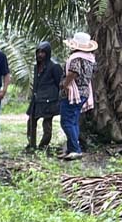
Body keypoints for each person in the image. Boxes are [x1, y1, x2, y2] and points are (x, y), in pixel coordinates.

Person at [59, 31, 97, 160]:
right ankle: (71, 148)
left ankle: (75, 149)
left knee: (66, 122)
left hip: (73, 93)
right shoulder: (90, 58)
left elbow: (73, 72)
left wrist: (65, 84)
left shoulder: (76, 58)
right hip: (85, 92)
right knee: (73, 121)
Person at [25, 41, 63, 152]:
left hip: (49, 100)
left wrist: (56, 98)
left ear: (48, 53)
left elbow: (59, 83)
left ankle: (43, 146)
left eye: (43, 52)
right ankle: (31, 145)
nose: (40, 55)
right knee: (31, 121)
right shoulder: (36, 67)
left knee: (47, 124)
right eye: (38, 52)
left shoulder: (54, 66)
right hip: (37, 99)